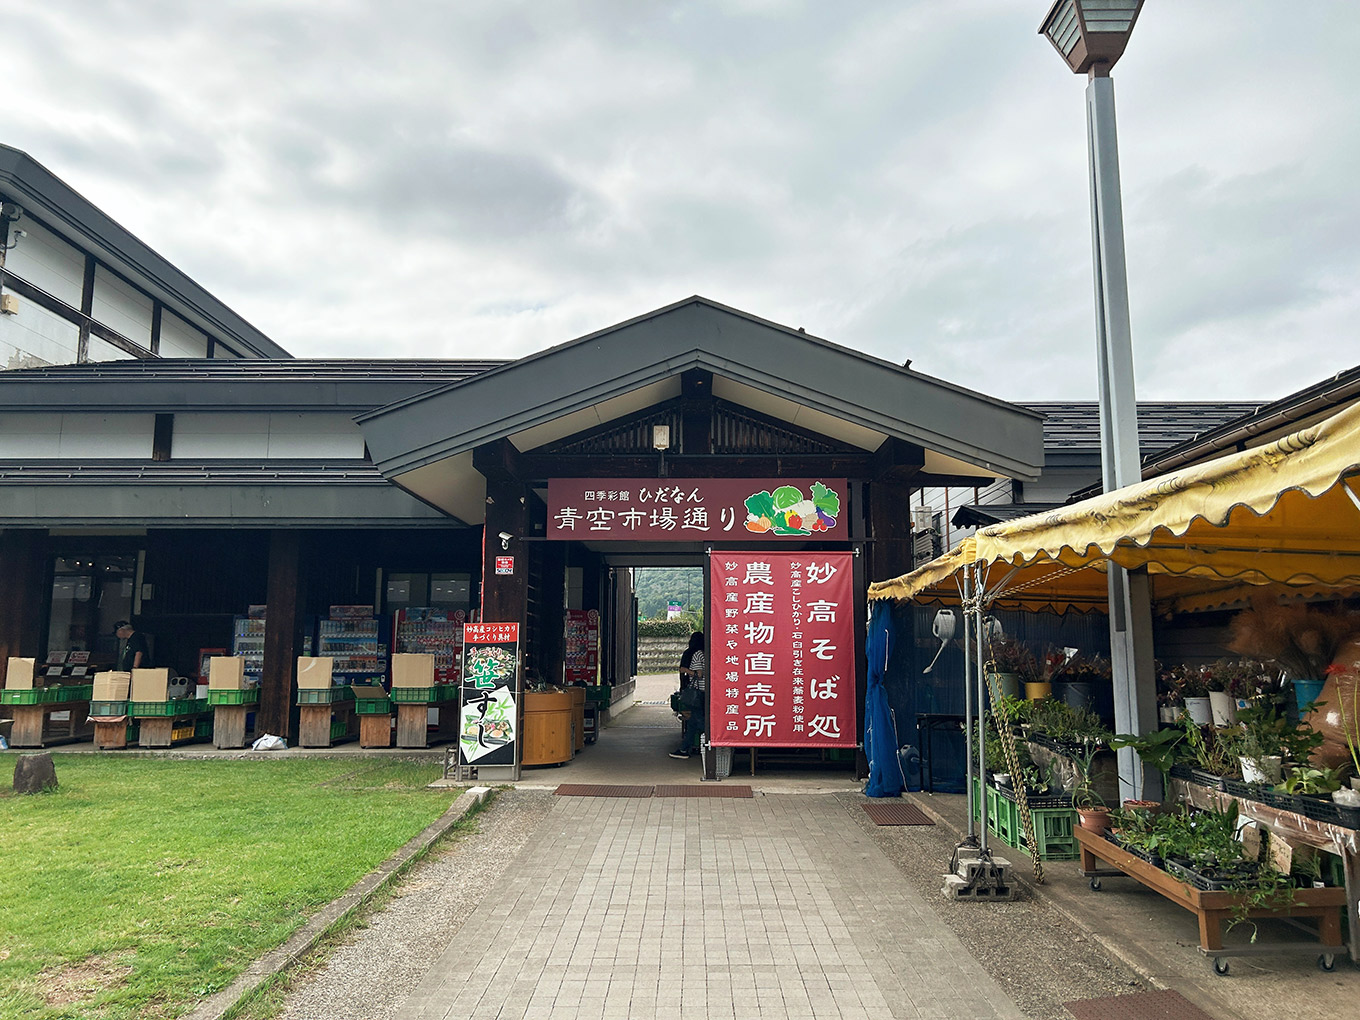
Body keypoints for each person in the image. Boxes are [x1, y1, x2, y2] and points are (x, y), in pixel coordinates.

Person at [670, 631, 706, 759]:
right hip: (705, 692)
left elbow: (699, 674)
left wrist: (685, 670)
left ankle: (715, 737)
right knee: (693, 723)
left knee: (699, 721)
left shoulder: (696, 654)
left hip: (698, 692)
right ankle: (684, 749)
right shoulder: (705, 653)